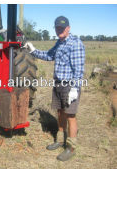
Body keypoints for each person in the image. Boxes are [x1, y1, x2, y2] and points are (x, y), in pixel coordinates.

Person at [25, 16, 85, 161]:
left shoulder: (75, 43)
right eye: (57, 27)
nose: (60, 30)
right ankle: (59, 139)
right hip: (58, 84)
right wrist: (33, 50)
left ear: (68, 28)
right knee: (60, 112)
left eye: (62, 27)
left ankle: (71, 148)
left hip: (69, 85)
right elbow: (48, 55)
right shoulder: (59, 43)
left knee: (70, 115)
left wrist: (75, 88)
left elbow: (79, 69)